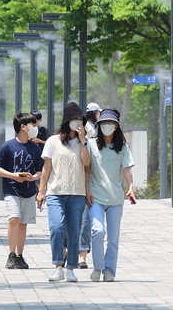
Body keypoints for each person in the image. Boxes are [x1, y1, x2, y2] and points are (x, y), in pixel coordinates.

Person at [37, 102, 90, 283]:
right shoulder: (52, 141)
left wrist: (83, 141)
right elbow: (46, 168)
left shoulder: (85, 142)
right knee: (56, 228)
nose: (78, 122)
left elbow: (87, 164)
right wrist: (41, 190)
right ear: (67, 121)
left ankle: (71, 269)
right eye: (74, 119)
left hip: (77, 193)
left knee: (74, 231)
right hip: (55, 192)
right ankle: (58, 266)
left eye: (80, 120)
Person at [87, 108, 135, 282]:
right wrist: (86, 190)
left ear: (116, 126)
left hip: (116, 198)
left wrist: (130, 187)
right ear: (99, 126)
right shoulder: (91, 145)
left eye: (110, 123)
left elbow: (127, 169)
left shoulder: (123, 147)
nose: (107, 126)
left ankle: (110, 271)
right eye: (104, 123)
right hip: (96, 198)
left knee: (113, 238)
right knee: (98, 231)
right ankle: (98, 267)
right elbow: (86, 169)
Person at [0, 112, 44, 269]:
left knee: (23, 224)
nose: (35, 127)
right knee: (13, 219)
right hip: (11, 189)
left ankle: (20, 255)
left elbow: (41, 170)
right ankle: (11, 254)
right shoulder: (7, 146)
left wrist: (33, 177)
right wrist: (13, 176)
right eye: (32, 125)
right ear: (23, 127)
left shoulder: (35, 148)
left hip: (29, 191)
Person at [78, 102, 101, 269]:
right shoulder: (87, 127)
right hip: (82, 174)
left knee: (85, 220)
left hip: (91, 177)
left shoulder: (97, 127)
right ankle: (72, 252)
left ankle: (82, 254)